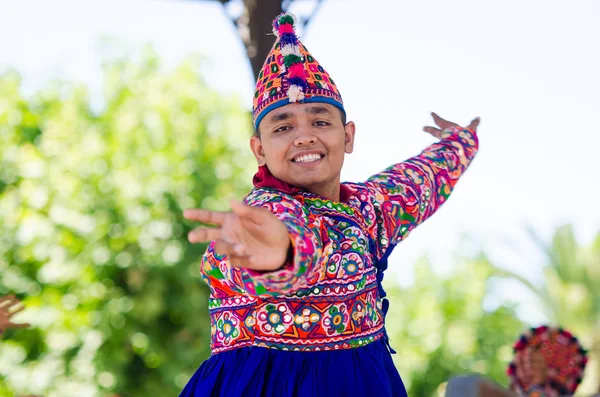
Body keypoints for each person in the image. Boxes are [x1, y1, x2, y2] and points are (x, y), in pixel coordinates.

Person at [180, 12, 479, 397]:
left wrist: (459, 143)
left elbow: (421, 179)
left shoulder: (371, 208)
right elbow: (291, 237)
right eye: (283, 127)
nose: (304, 137)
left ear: (347, 135)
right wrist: (280, 255)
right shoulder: (264, 212)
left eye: (320, 122)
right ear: (259, 150)